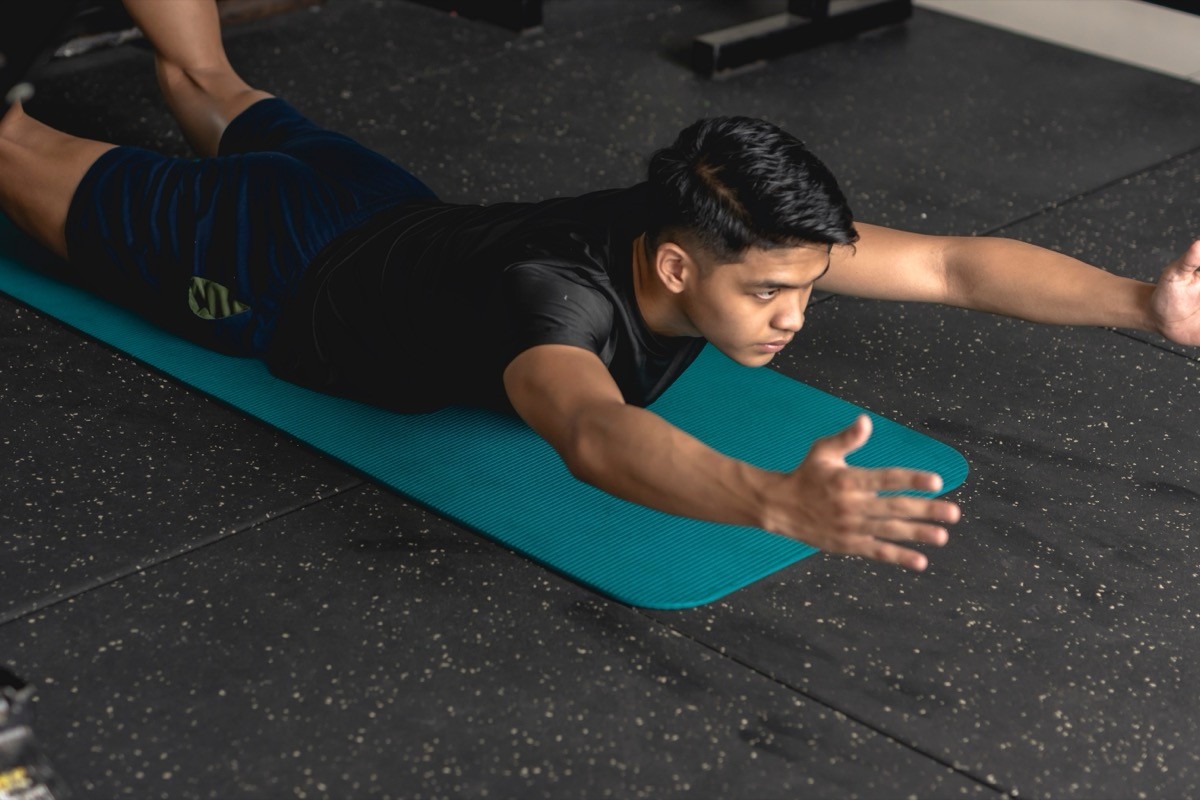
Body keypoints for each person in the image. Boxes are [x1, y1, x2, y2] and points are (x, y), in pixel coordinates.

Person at [1, 0, 1197, 574]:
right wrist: (769, 500)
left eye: (808, 288)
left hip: (374, 198)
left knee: (201, 67)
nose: (798, 312)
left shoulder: (699, 210)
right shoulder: (554, 304)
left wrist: (1142, 303)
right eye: (776, 291)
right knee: (12, 147)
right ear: (679, 266)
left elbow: (949, 262)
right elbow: (591, 432)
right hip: (258, 265)